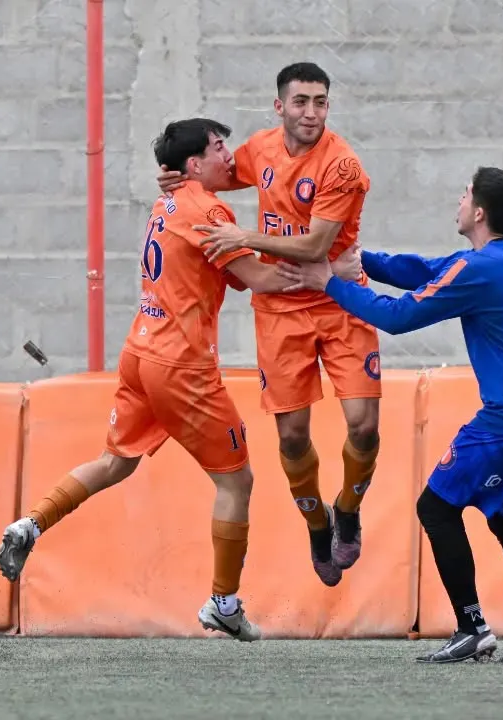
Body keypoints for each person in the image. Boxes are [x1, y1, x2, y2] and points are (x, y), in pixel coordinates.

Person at [0, 118, 361, 642]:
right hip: (182, 366)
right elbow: (259, 278)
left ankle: (29, 524)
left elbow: (232, 272)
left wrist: (252, 254)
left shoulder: (167, 203)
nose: (229, 156)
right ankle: (224, 603)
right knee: (236, 481)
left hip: (140, 351)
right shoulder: (209, 211)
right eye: (218, 147)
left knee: (114, 462)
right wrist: (326, 273)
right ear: (194, 164)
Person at [276, 166, 503, 664]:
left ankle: (472, 627)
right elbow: (431, 269)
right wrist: (363, 262)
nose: (458, 200)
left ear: (479, 213)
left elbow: (397, 317)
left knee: (435, 508)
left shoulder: (480, 269)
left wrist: (329, 282)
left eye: (465, 194)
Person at [156, 62, 381, 588]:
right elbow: (215, 173)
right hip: (280, 310)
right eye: (301, 101)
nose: (311, 112)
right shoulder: (260, 149)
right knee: (293, 437)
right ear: (280, 106)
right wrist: (178, 176)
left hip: (340, 299)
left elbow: (316, 246)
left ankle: (348, 509)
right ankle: (318, 525)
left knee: (364, 426)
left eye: (320, 102)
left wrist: (245, 238)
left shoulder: (342, 165)